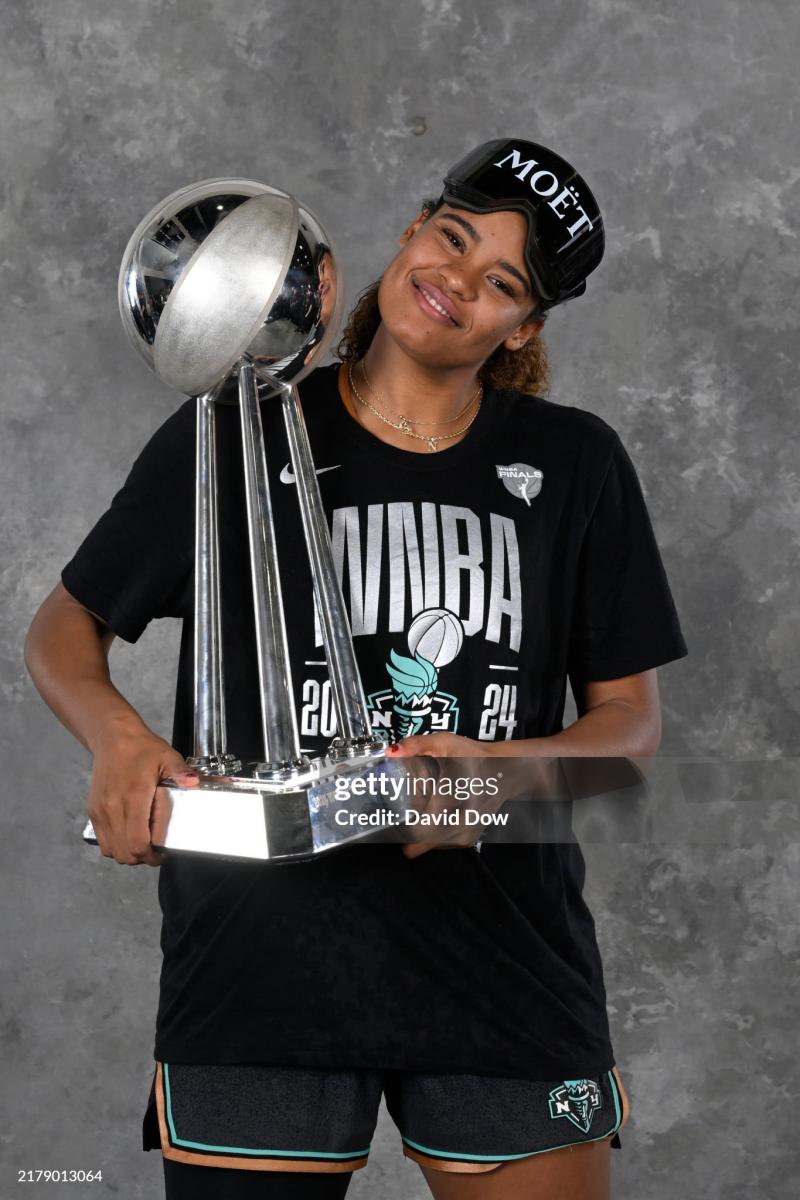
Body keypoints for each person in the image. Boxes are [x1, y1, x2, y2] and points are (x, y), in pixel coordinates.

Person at [25, 138, 688, 1200]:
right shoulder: (226, 430)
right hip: (255, 962)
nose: (457, 280)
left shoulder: (575, 463)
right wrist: (119, 736)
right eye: (451, 236)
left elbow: (627, 739)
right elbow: (64, 626)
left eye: (502, 282)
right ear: (409, 231)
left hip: (503, 964)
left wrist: (486, 782)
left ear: (522, 325)